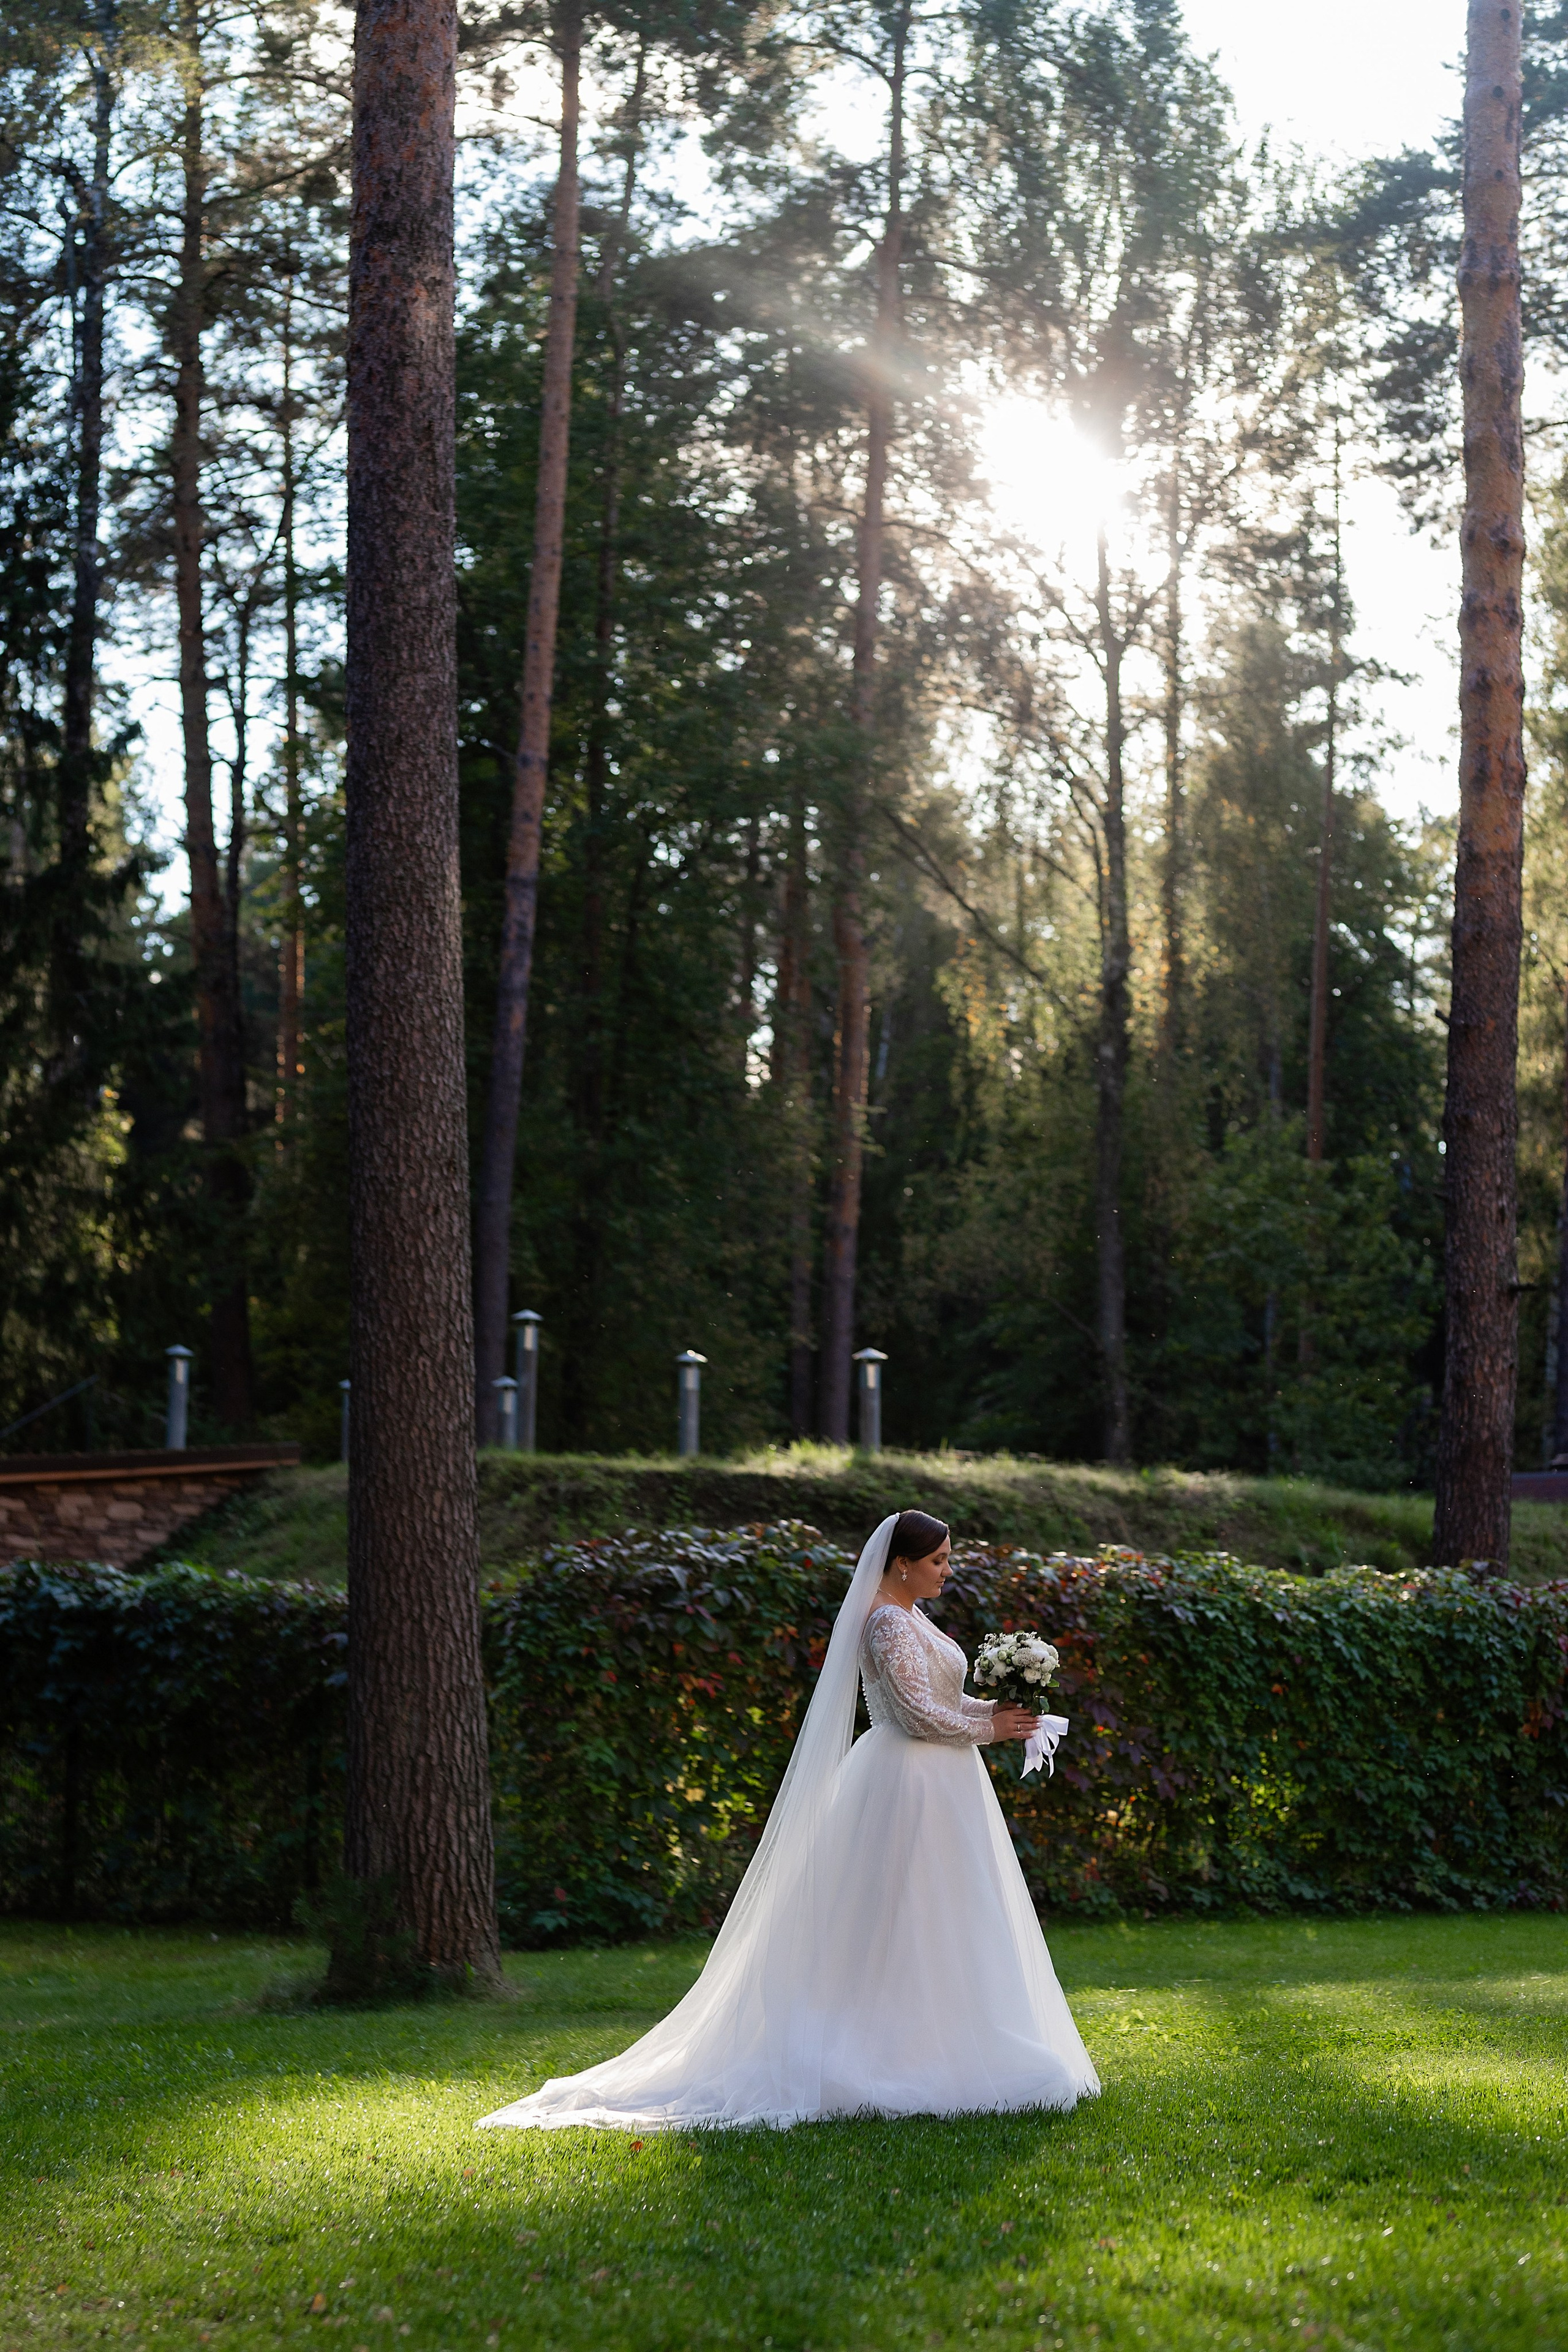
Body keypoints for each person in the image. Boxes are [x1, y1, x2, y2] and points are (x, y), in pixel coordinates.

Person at [478, 1509, 1099, 2132]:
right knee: (899, 1911)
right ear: (901, 1564)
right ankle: (894, 2050)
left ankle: (954, 2035)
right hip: (906, 1780)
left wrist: (998, 1708)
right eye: (937, 1560)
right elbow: (913, 1714)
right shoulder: (885, 1620)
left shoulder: (909, 1615)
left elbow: (939, 1700)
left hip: (940, 1781)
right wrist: (988, 1731)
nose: (946, 1569)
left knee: (945, 1911)